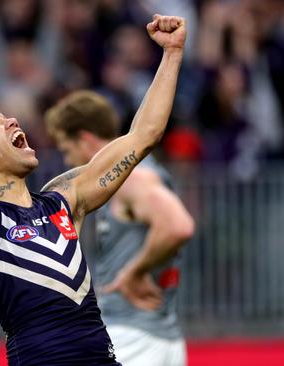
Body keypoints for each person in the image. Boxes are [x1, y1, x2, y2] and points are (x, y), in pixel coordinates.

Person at [0, 13, 185, 366]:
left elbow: (143, 137)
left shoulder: (61, 201)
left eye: (7, 118)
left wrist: (172, 53)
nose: (11, 121)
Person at [45, 90, 194, 365]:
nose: (67, 162)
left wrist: (133, 272)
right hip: (161, 335)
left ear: (86, 140)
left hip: (133, 338)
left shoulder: (132, 177)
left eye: (67, 150)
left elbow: (178, 225)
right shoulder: (135, 175)